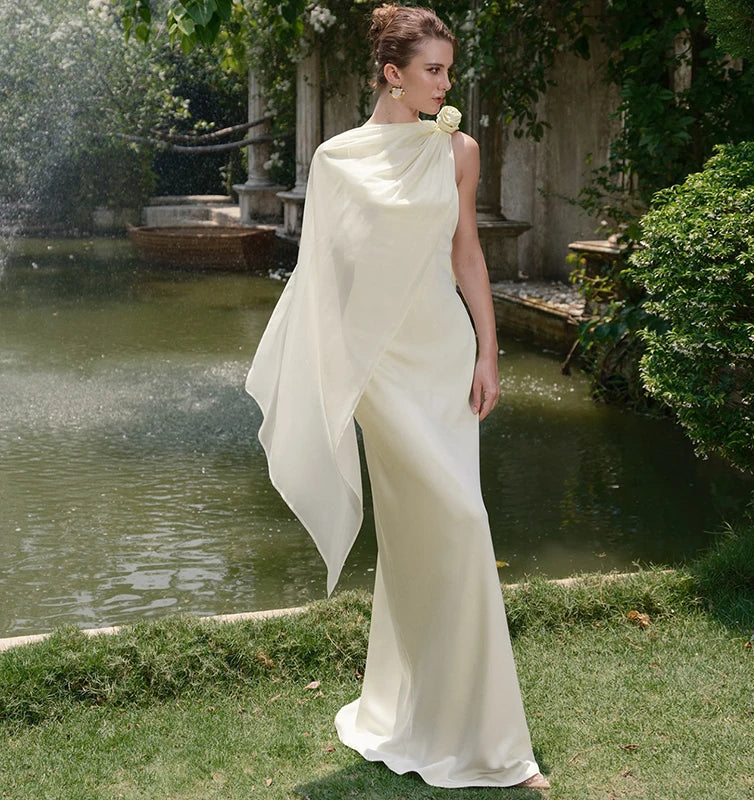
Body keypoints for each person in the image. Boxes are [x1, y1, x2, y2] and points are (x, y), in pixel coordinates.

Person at [245, 3, 550, 791]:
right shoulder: (337, 160)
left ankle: (444, 723)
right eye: (434, 70)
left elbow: (468, 256)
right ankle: (471, 737)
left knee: (437, 535)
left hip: (442, 360)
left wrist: (488, 350)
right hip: (378, 370)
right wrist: (331, 379)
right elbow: (325, 280)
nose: (447, 83)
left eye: (448, 69)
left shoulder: (457, 150)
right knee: (456, 521)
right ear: (392, 73)